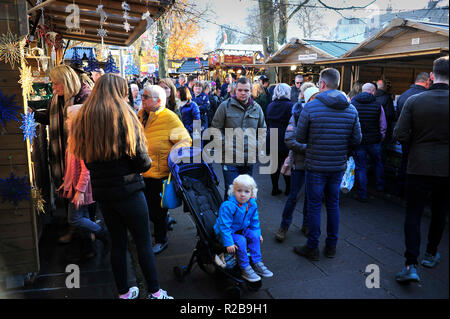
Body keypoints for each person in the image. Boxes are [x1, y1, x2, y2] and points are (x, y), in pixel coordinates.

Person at [69, 73, 173, 299]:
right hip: (129, 190)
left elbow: (85, 157)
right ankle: (155, 293)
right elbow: (142, 161)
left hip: (103, 194)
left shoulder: (84, 116)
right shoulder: (124, 115)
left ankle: (124, 293)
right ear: (120, 91)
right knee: (143, 242)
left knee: (117, 242)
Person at [294, 68, 362, 261]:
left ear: (322, 84)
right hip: (338, 165)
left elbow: (299, 137)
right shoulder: (351, 108)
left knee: (315, 205)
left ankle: (312, 247)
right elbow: (357, 139)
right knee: (333, 205)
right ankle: (331, 245)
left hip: (315, 164)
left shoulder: (311, 107)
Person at [393, 56, 449, 283]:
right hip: (446, 169)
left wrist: (416, 143)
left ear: (432, 76)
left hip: (417, 166)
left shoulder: (414, 101)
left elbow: (400, 134)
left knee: (413, 214)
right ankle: (431, 253)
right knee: (439, 213)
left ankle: (410, 264)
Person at [33, 64, 92, 244]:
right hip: (61, 156)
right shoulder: (57, 97)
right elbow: (52, 121)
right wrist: (33, 114)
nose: (53, 87)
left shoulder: (83, 97)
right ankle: (77, 232)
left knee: (81, 201)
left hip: (79, 157)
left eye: (56, 83)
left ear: (67, 82)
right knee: (69, 198)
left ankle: (85, 237)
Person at [138, 85, 192, 254]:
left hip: (159, 174)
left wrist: (172, 158)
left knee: (157, 211)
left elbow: (185, 141)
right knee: (146, 209)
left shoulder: (169, 117)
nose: (143, 99)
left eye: (146, 96)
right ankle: (154, 235)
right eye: (142, 96)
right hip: (142, 171)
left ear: (158, 100)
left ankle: (161, 240)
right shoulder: (140, 115)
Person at [57, 104, 109, 258]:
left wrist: (79, 191)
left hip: (82, 188)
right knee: (83, 216)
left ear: (77, 120)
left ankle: (104, 235)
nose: (66, 121)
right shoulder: (73, 137)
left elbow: (86, 170)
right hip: (76, 186)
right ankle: (89, 249)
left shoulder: (81, 140)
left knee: (74, 219)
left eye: (68, 118)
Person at [275, 86, 319, 242]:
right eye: (314, 97)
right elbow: (289, 139)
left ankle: (306, 224)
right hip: (299, 163)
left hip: (316, 164)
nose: (317, 100)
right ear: (307, 99)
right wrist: (310, 148)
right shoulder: (297, 113)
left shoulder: (321, 113)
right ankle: (284, 226)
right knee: (293, 196)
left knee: (310, 197)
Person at [211, 76, 266, 200]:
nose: (243, 93)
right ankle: (227, 219)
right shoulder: (225, 106)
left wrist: (256, 145)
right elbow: (215, 129)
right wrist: (226, 144)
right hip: (230, 158)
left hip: (248, 159)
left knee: (246, 194)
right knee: (231, 193)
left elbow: (263, 130)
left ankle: (244, 219)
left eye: (246, 90)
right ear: (235, 90)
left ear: (251, 90)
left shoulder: (257, 108)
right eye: (240, 90)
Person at [214, 174, 273, 282]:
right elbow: (224, 226)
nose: (242, 194)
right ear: (233, 191)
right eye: (239, 190)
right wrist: (229, 243)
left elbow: (255, 221)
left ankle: (257, 262)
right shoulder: (228, 206)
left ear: (252, 193)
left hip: (240, 229)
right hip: (226, 233)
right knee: (241, 240)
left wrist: (258, 233)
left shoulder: (251, 204)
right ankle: (245, 267)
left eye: (246, 191)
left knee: (254, 236)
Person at [395, 72, 430, 197]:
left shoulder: (403, 95)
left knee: (405, 163)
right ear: (427, 82)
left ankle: (401, 190)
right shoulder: (425, 97)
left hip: (406, 138)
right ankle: (414, 194)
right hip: (421, 139)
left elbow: (398, 118)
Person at [351, 83, 386, 202]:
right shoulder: (378, 105)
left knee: (361, 167)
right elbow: (383, 125)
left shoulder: (353, 104)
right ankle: (379, 187)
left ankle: (362, 193)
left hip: (359, 141)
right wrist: (381, 136)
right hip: (374, 141)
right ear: (372, 91)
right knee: (378, 163)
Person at [265, 83, 293, 196]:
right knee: (286, 164)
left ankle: (275, 188)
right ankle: (288, 189)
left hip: (272, 135)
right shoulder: (290, 105)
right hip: (285, 136)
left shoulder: (270, 105)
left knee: (274, 165)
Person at [375, 79, 396, 146]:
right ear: (384, 87)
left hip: (373, 127)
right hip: (385, 127)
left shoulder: (372, 96)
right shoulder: (387, 98)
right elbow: (390, 114)